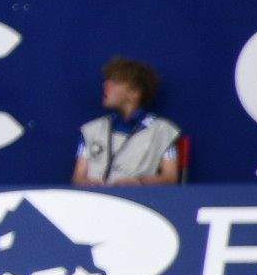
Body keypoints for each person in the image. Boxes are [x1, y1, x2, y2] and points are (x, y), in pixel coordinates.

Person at [73, 58, 182, 188]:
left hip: (138, 202)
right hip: (95, 201)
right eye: (107, 81)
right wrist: (93, 185)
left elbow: (170, 177)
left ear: (134, 92)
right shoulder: (91, 130)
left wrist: (139, 183)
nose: (106, 85)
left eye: (115, 82)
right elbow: (78, 178)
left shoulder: (163, 131)